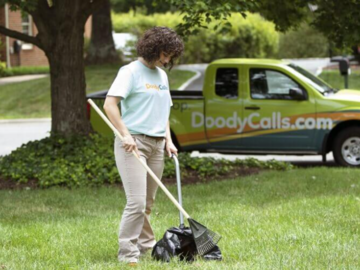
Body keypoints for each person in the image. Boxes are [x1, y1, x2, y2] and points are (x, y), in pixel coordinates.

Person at [103, 26, 184, 265]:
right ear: (153, 48)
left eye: (170, 55)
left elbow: (163, 112)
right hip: (133, 144)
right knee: (136, 202)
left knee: (147, 203)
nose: (167, 60)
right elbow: (109, 105)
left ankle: (146, 246)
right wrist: (125, 135)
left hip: (158, 145)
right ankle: (128, 253)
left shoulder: (162, 75)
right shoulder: (129, 72)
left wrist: (169, 140)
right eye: (165, 54)